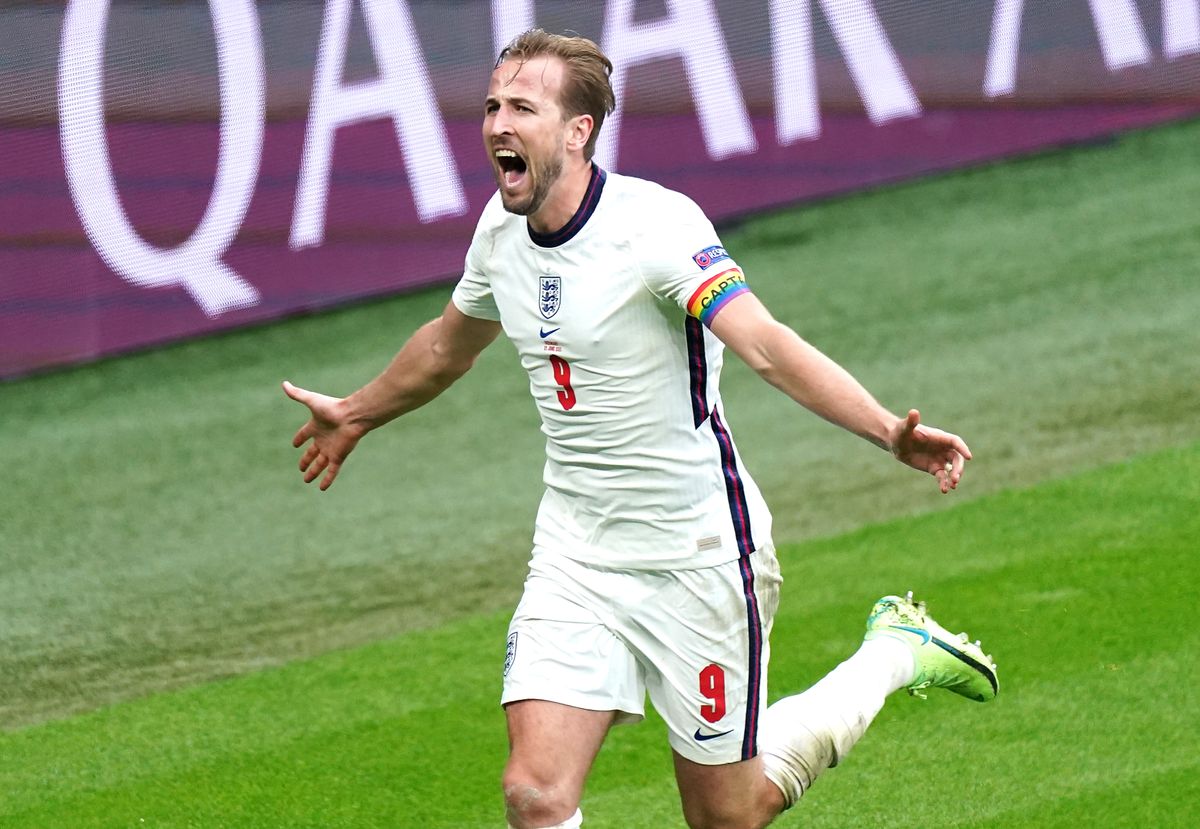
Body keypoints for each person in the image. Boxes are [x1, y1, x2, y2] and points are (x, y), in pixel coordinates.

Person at [283, 29, 998, 829]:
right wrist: (357, 411)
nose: (496, 126)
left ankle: (895, 651)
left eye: (523, 107)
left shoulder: (654, 227)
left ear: (577, 131)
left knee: (729, 813)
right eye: (491, 106)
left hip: (696, 554)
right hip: (577, 551)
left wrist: (884, 431)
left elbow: (765, 345)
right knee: (534, 791)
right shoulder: (499, 230)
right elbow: (450, 344)